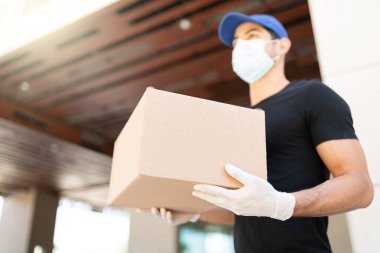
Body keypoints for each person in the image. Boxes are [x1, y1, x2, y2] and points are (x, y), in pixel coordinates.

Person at [149, 13, 374, 252]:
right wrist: (193, 213)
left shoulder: (313, 96)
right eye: (236, 43)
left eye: (252, 35)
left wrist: (282, 204)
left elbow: (360, 187)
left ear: (282, 45)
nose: (241, 46)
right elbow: (247, 208)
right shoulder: (239, 122)